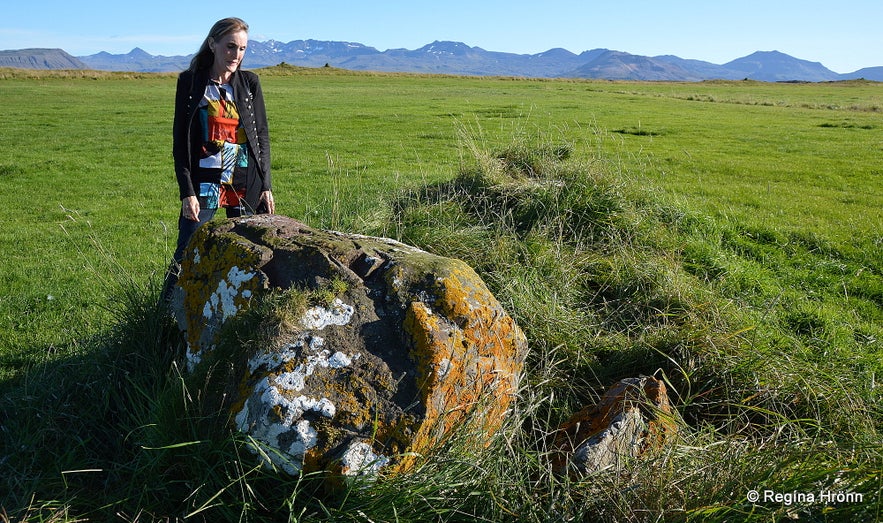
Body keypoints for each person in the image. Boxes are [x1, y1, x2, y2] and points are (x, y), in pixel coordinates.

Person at [163, 17, 274, 299]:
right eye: (230, 47)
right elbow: (181, 142)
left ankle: (234, 317)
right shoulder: (190, 83)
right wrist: (187, 192)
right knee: (188, 250)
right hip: (207, 182)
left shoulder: (249, 83)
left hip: (244, 178)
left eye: (242, 49)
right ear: (213, 44)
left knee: (248, 252)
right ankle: (164, 319)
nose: (236, 55)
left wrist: (266, 185)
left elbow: (260, 135)